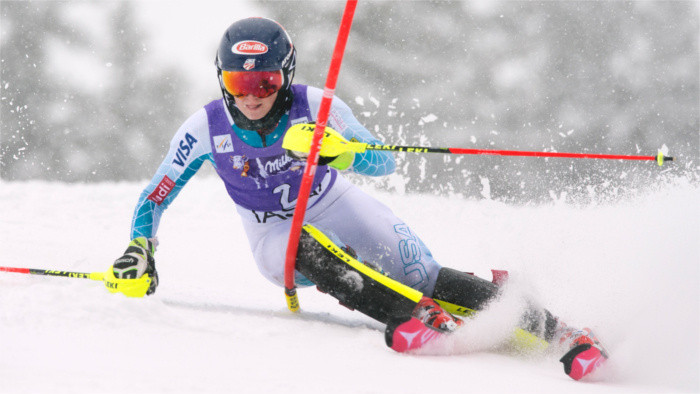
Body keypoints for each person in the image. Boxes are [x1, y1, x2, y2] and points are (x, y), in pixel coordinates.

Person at [106, 17, 607, 381]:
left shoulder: (318, 107)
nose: (253, 95)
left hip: (331, 199)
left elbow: (383, 160)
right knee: (303, 248)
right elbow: (156, 193)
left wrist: (340, 153)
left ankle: (562, 333)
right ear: (222, 79)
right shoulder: (205, 127)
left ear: (285, 75)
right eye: (240, 82)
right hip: (272, 230)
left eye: (266, 80)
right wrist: (139, 248)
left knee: (425, 274)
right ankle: (408, 314)